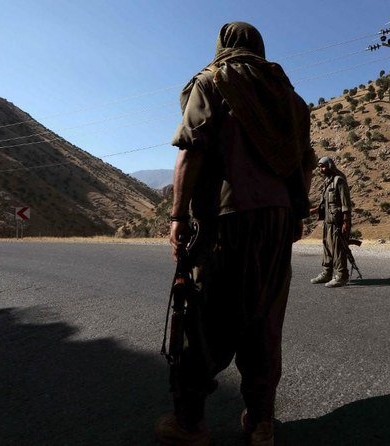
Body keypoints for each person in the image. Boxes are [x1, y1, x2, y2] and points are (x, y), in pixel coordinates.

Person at [155, 22, 315, 446]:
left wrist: (178, 215)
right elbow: (305, 163)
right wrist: (296, 211)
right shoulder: (290, 99)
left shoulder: (212, 81)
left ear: (222, 46)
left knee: (206, 317)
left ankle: (189, 424)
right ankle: (261, 423)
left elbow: (191, 149)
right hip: (279, 220)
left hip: (228, 217)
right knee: (265, 316)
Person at [310, 156, 353, 288]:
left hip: (338, 222)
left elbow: (346, 204)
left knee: (338, 249)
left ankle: (341, 276)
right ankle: (327, 273)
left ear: (330, 165)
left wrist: (345, 222)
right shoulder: (327, 182)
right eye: (320, 167)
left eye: (323, 166)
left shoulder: (338, 181)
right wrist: (317, 209)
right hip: (328, 221)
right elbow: (327, 202)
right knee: (327, 247)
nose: (322, 169)